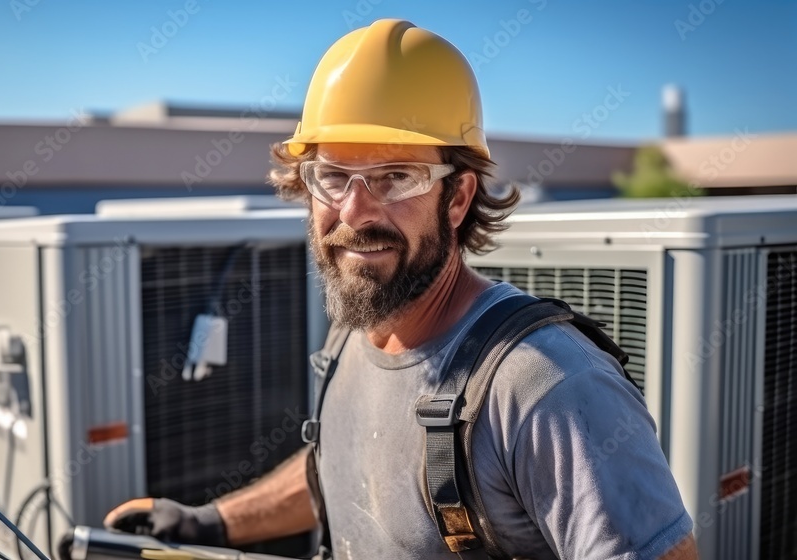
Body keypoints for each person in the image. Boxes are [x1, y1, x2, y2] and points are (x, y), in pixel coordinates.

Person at [105, 19, 697, 560]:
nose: (356, 212)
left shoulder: (546, 389)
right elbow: (346, 462)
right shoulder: (357, 329)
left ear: (458, 197)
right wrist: (208, 524)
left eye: (395, 177)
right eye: (332, 176)